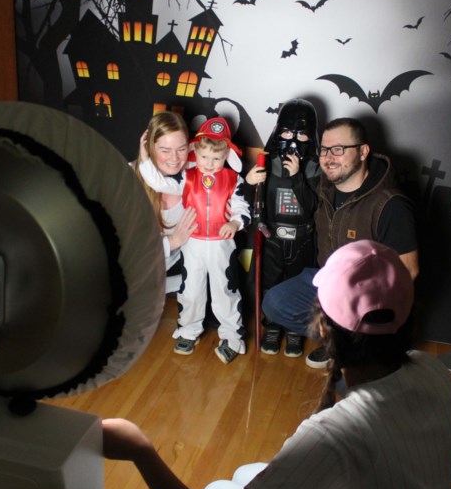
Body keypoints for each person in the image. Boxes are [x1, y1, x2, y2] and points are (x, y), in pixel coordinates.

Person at [102, 240, 451, 489]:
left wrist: (141, 451)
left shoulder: (337, 436)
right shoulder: (433, 371)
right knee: (245, 475)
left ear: (323, 328)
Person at [261, 117, 419, 368]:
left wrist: (365, 308)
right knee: (274, 302)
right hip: (327, 280)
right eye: (324, 149)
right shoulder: (325, 188)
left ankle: (360, 348)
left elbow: (408, 270)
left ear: (363, 151)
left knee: (360, 381)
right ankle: (340, 342)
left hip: (368, 299)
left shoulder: (390, 204)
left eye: (338, 149)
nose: (328, 157)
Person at [137, 117, 251, 363]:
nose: (209, 164)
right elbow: (158, 182)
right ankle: (189, 330)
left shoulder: (234, 180)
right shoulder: (186, 178)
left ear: (227, 156)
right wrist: (145, 159)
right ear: (195, 152)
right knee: (191, 290)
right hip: (193, 244)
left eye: (217, 158)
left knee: (225, 290)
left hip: (222, 245)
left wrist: (235, 223)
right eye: (204, 156)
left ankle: (232, 336)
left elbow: (243, 207)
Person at [244, 99, 320, 357]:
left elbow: (313, 206)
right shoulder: (267, 164)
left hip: (302, 240)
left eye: (301, 134)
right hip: (273, 238)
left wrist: (298, 177)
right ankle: (273, 326)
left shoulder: (314, 168)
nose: (293, 140)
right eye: (287, 132)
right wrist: (249, 182)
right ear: (278, 132)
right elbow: (249, 206)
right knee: (271, 284)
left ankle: (296, 330)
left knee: (297, 286)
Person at [133, 111, 198, 295]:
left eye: (181, 149)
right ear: (149, 147)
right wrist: (173, 241)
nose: (175, 158)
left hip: (169, 271)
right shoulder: (129, 180)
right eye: (165, 150)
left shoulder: (195, 175)